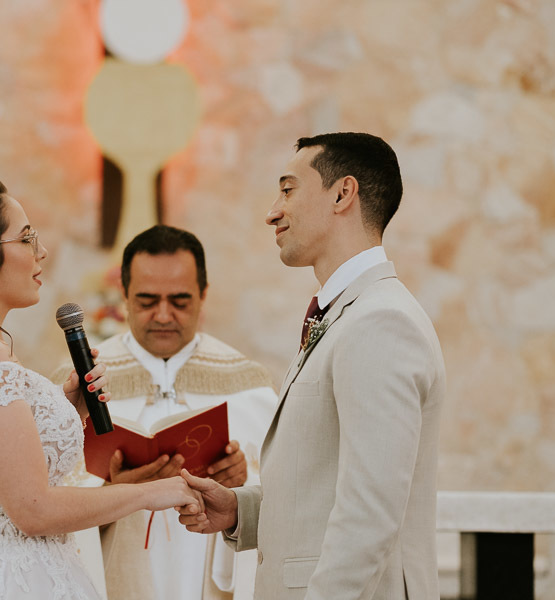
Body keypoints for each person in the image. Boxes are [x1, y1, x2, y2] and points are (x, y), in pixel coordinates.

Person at [0, 173, 202, 599]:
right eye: (26, 239)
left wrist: (67, 408)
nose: (42, 251)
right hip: (9, 579)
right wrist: (151, 492)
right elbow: (33, 510)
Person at [178, 133, 446, 599]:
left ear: (343, 194)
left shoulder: (380, 321)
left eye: (288, 189)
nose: (272, 212)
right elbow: (325, 483)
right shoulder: (348, 313)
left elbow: (371, 512)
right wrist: (242, 511)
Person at [53, 225, 277, 600]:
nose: (162, 314)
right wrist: (113, 494)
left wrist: (242, 481)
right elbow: (44, 500)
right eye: (146, 300)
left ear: (203, 295)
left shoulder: (248, 382)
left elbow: (288, 491)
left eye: (180, 300)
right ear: (123, 294)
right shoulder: (79, 382)